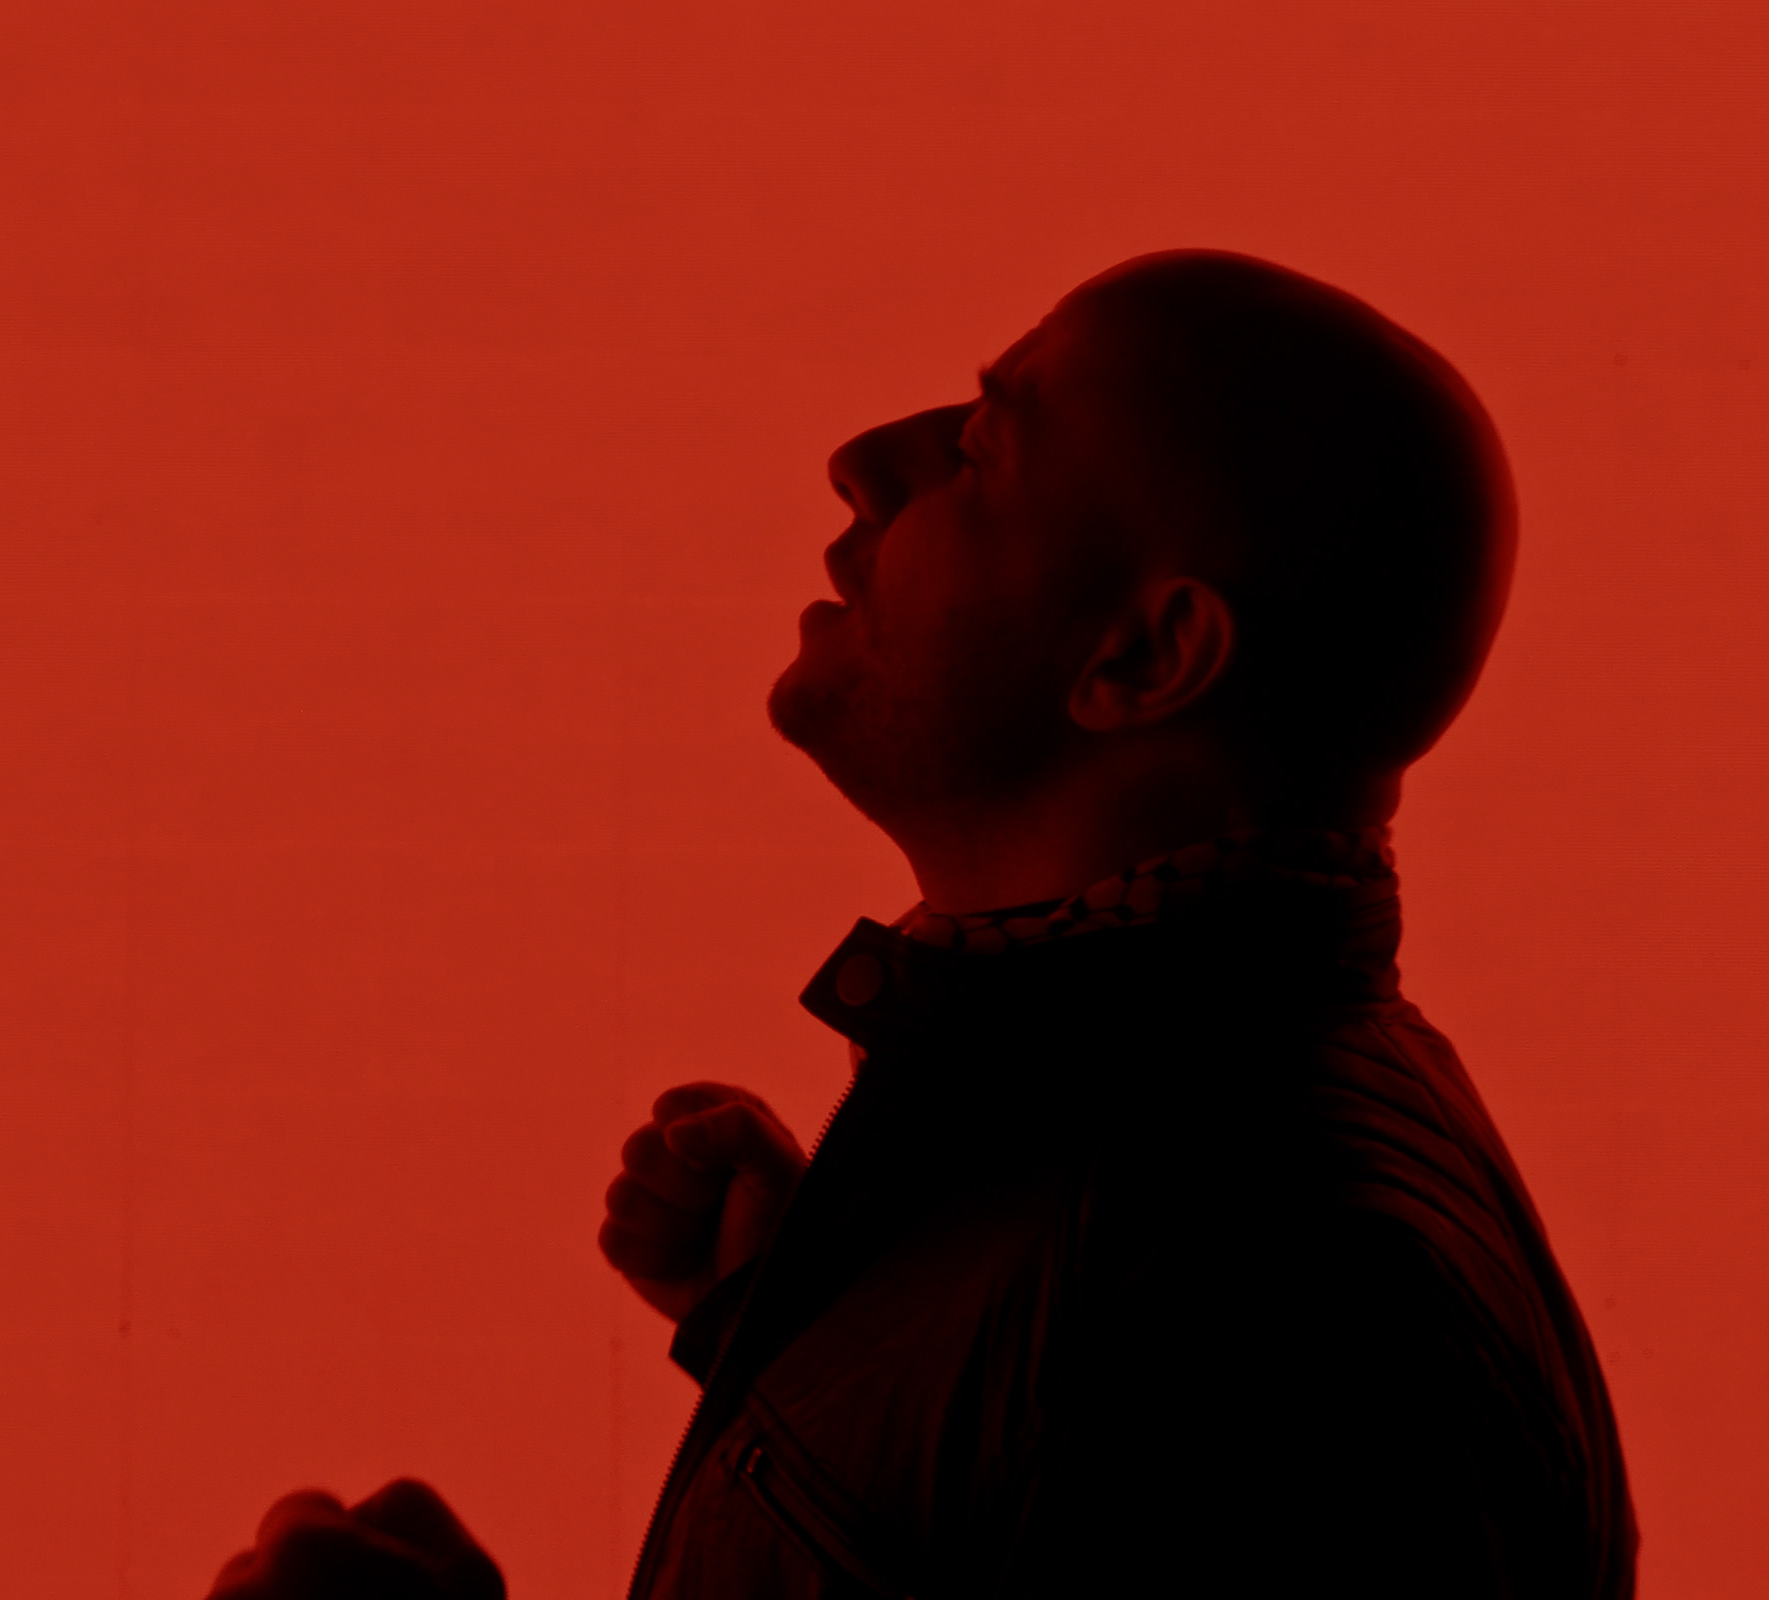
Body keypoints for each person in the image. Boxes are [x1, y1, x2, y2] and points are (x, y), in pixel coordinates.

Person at [208, 249, 1640, 1600]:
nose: (863, 460)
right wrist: (817, 1330)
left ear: (1146, 655)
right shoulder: (1195, 1206)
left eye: (978, 449)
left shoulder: (1281, 1310)